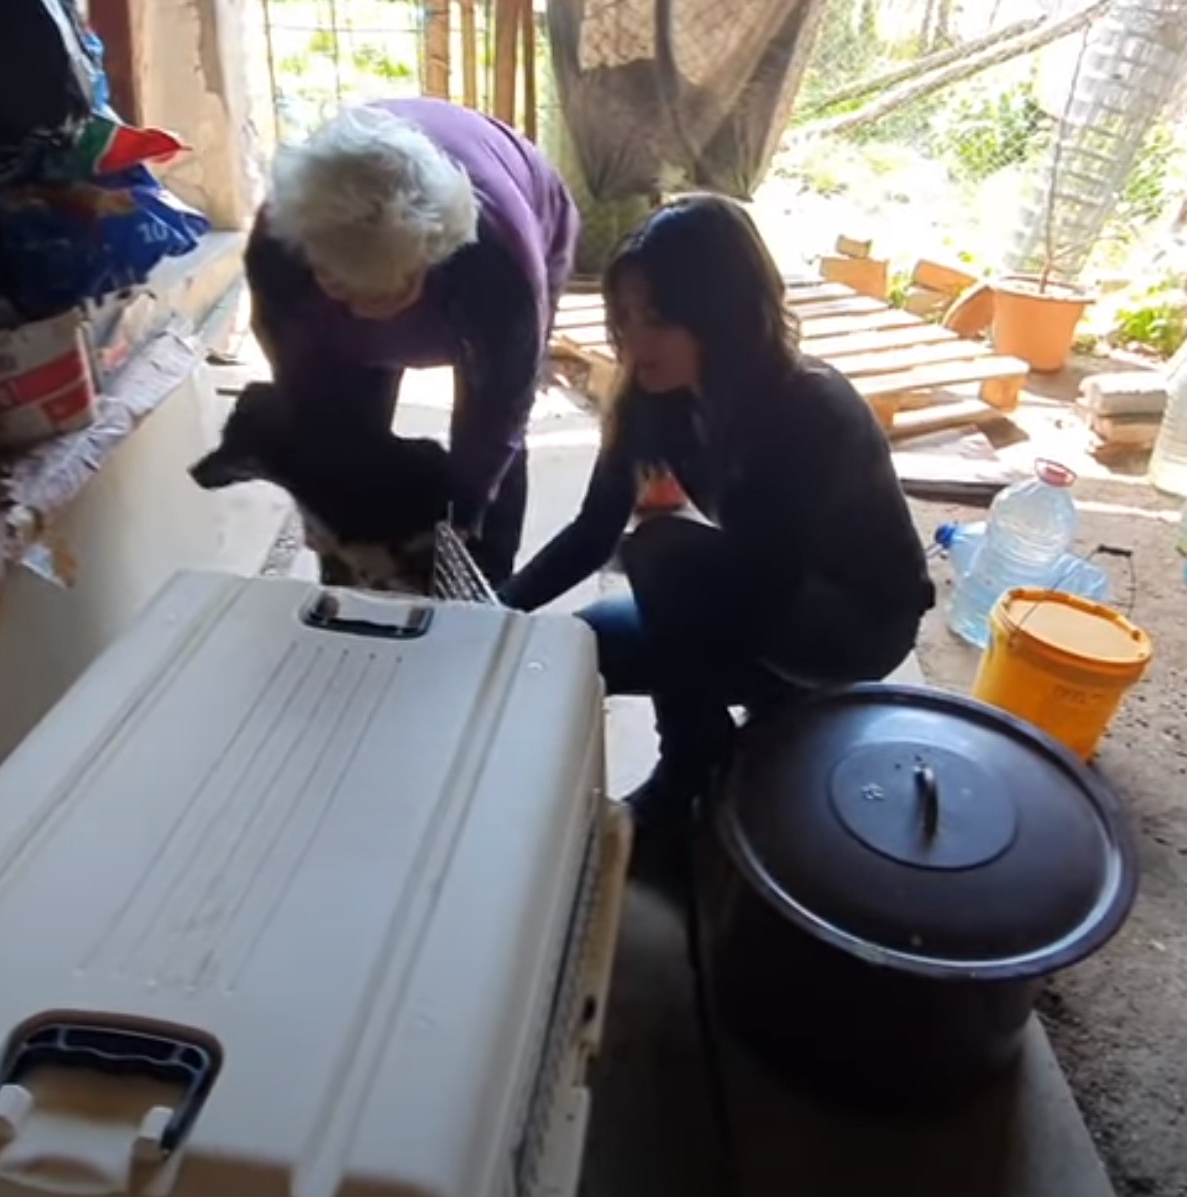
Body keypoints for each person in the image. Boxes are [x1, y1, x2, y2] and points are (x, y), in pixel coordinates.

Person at [498, 194, 934, 832]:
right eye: (627, 318)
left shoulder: (807, 410)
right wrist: (496, 611)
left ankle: (695, 764)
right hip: (763, 593)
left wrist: (690, 685)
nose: (637, 341)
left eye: (659, 319)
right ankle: (753, 721)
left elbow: (766, 582)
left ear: (721, 315)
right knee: (582, 644)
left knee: (659, 552)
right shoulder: (659, 396)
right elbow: (593, 530)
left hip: (851, 623)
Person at [245, 100, 579, 584]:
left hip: (507, 219)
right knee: (346, 449)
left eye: (387, 293)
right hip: (372, 266)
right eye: (341, 289)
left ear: (434, 255)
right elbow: (310, 404)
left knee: (492, 454)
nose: (363, 313)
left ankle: (486, 594)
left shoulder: (497, 267)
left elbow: (498, 415)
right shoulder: (280, 250)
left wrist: (460, 525)